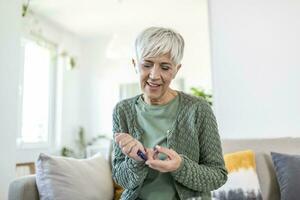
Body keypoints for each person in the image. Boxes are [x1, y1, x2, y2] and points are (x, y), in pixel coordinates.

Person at [112, 27, 227, 200]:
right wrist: (136, 160)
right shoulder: (122, 111)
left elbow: (218, 175)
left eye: (165, 67)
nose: (154, 75)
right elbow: (121, 178)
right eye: (147, 65)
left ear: (176, 69)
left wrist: (180, 166)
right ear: (135, 64)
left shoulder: (198, 109)